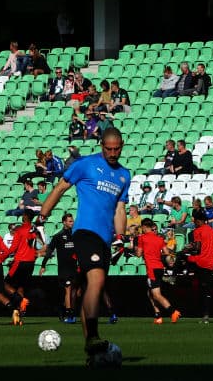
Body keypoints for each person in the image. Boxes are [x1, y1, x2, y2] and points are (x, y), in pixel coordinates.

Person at [39, 127, 129, 363]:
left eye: (116, 149)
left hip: (105, 239)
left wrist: (122, 236)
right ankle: (94, 335)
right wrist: (44, 213)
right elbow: (60, 187)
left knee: (89, 289)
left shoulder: (124, 175)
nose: (112, 153)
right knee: (97, 280)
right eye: (108, 149)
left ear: (121, 146)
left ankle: (91, 349)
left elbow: (120, 209)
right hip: (85, 232)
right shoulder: (85, 164)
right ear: (101, 145)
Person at [136, 218, 180, 324]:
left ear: (144, 227)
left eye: (142, 227)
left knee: (156, 294)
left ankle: (173, 312)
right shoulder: (159, 239)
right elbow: (165, 252)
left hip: (152, 268)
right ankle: (158, 316)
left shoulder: (142, 238)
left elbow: (138, 254)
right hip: (160, 267)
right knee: (150, 292)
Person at [3, 211, 39, 325]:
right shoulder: (34, 229)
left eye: (23, 215)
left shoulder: (19, 230)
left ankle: (20, 299)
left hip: (20, 261)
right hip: (31, 262)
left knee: (5, 284)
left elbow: (13, 247)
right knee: (21, 287)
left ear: (25, 217)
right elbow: (35, 243)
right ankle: (18, 318)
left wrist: (2, 256)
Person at [183, 207, 213, 324]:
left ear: (198, 221)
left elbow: (197, 248)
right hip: (210, 263)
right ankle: (206, 316)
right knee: (206, 290)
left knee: (181, 256)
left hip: (200, 261)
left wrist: (189, 247)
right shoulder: (212, 231)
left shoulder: (197, 231)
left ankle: (175, 276)